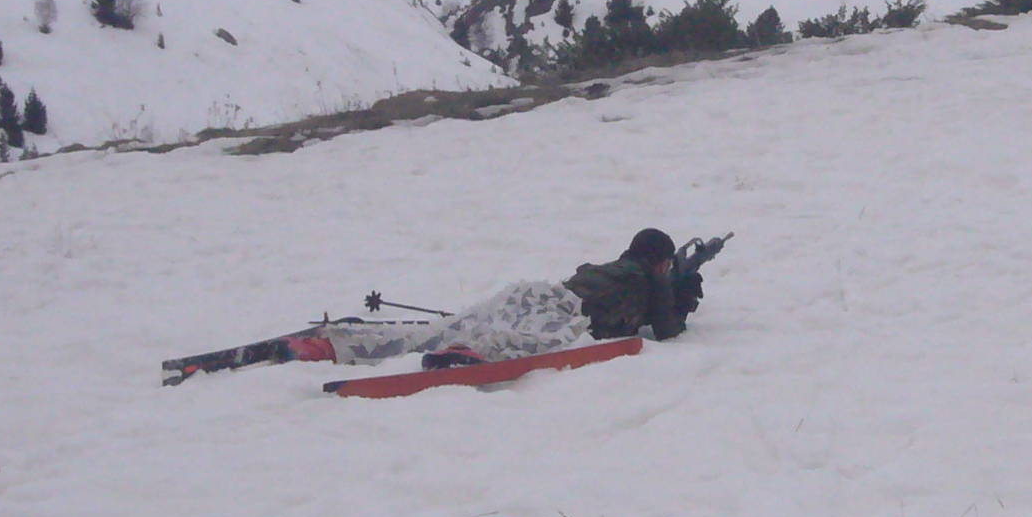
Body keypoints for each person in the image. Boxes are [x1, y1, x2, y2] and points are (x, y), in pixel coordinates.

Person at [239, 227, 716, 368]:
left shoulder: (612, 266)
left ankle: (335, 342)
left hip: (537, 295)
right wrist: (682, 297)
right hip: (562, 319)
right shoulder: (649, 279)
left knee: (453, 324)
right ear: (660, 262)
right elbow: (667, 331)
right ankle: (464, 358)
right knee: (502, 344)